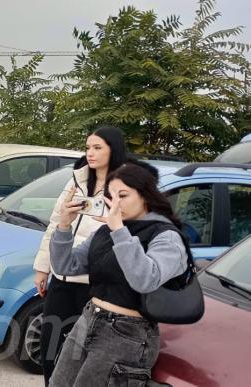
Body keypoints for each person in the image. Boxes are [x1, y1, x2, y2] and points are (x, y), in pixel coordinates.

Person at [48, 160, 188, 386]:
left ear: (145, 195)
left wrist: (119, 231)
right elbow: (66, 266)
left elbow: (145, 279)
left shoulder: (166, 236)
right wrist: (64, 226)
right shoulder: (106, 231)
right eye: (111, 196)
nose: (115, 203)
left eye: (123, 195)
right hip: (89, 318)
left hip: (128, 332)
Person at [32, 126, 127, 384]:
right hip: (62, 278)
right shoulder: (76, 180)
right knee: (50, 348)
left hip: (95, 286)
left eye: (98, 148)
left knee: (82, 352)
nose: (91, 153)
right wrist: (43, 268)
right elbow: (54, 224)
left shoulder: (123, 186)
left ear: (113, 150)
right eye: (88, 148)